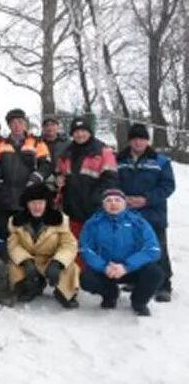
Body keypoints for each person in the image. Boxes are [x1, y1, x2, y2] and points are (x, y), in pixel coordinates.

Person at [79, 189, 163, 316]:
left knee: (155, 273)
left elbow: (152, 249)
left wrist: (126, 266)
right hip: (106, 270)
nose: (113, 204)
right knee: (86, 279)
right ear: (103, 204)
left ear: (124, 204)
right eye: (109, 200)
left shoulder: (138, 222)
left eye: (117, 200)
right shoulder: (93, 223)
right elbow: (85, 249)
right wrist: (103, 267)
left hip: (131, 269)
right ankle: (110, 294)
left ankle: (138, 302)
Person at [117, 123, 176, 302]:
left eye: (142, 139)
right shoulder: (119, 160)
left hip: (153, 213)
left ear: (147, 141)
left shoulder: (160, 161)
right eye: (135, 139)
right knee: (132, 248)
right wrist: (122, 198)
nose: (138, 143)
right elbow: (112, 182)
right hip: (127, 212)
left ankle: (164, 285)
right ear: (129, 141)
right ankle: (136, 279)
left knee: (157, 248)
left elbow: (167, 186)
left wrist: (147, 199)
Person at [7, 184, 80, 308]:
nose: (37, 207)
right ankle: (32, 286)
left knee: (71, 267)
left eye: (41, 202)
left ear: (47, 203)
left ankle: (64, 292)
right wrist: (26, 261)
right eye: (33, 203)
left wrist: (58, 262)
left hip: (51, 259)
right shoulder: (16, 220)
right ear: (27, 204)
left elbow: (69, 245)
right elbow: (13, 245)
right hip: (29, 259)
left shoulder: (60, 219)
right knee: (13, 266)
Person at [0, 109, 53, 250]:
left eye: (20, 122)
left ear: (25, 124)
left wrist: (35, 178)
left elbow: (47, 165)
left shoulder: (37, 143)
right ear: (9, 126)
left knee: (29, 234)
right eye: (13, 123)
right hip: (6, 197)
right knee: (6, 234)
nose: (17, 125)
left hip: (29, 196)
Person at [56, 116, 118, 242]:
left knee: (94, 246)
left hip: (95, 210)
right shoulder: (66, 153)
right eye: (76, 132)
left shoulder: (103, 151)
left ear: (90, 132)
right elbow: (59, 173)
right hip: (71, 210)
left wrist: (96, 200)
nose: (80, 135)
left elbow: (110, 181)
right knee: (74, 248)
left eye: (83, 131)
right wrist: (59, 180)